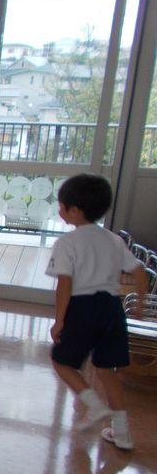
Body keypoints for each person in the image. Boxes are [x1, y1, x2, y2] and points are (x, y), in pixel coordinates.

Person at [46, 173, 147, 451]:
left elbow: (64, 285)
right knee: (106, 370)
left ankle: (95, 405)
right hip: (112, 308)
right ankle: (122, 433)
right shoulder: (113, 240)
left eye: (62, 205)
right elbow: (140, 272)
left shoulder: (67, 243)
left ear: (75, 211)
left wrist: (59, 321)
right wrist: (138, 304)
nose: (60, 210)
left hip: (83, 307)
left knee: (62, 362)